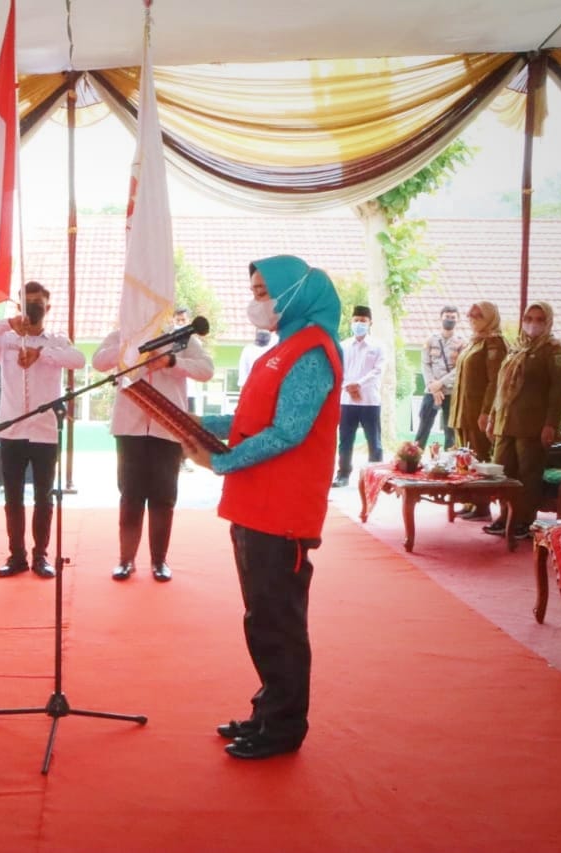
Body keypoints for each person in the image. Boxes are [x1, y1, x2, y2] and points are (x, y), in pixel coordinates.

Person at [179, 255, 343, 761]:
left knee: (279, 622)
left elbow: (290, 432)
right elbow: (255, 415)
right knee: (261, 618)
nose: (257, 302)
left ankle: (284, 727)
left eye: (262, 292)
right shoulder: (283, 347)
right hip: (255, 504)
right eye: (253, 291)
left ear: (295, 293)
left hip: (283, 509)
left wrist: (223, 460)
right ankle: (267, 711)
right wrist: (203, 428)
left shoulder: (312, 351)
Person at [92, 308, 214, 582]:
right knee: (130, 495)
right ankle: (126, 560)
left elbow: (207, 369)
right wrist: (130, 347)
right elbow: (99, 361)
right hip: (129, 426)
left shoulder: (182, 338)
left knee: (164, 497)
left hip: (167, 428)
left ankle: (159, 561)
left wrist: (172, 362)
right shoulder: (122, 336)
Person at [0, 282, 86, 579]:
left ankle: (41, 555)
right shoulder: (6, 341)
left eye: (39, 302)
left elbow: (79, 360)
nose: (34, 306)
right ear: (20, 306)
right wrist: (7, 324)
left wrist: (42, 353)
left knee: (44, 496)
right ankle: (17, 556)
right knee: (12, 497)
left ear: (48, 308)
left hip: (44, 431)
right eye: (28, 301)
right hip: (11, 429)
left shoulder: (57, 341)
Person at [484, 302, 561, 540]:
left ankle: (522, 521)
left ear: (548, 322)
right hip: (506, 422)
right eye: (529, 318)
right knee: (502, 471)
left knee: (527, 475)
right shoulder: (516, 349)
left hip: (533, 426)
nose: (533, 323)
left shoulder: (553, 351)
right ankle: (504, 517)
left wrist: (551, 423)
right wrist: (492, 417)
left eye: (539, 319)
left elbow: (558, 392)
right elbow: (501, 388)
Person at [448, 301, 508, 520]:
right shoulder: (474, 342)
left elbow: (495, 382)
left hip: (478, 413)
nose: (472, 319)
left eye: (478, 316)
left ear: (490, 318)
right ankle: (470, 501)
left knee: (479, 457)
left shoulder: (494, 343)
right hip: (463, 411)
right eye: (470, 315)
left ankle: (482, 505)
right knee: (464, 457)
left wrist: (486, 412)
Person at [332, 305, 385, 487]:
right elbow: (338, 371)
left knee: (374, 442)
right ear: (351, 322)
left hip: (370, 401)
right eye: (356, 320)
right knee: (345, 440)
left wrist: (358, 385)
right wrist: (349, 387)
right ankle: (343, 475)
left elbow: (378, 371)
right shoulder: (343, 346)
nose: (359, 324)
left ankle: (377, 478)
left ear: (370, 323)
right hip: (347, 401)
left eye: (363, 321)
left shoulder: (378, 346)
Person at [414, 305, 465, 450]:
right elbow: (425, 364)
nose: (449, 320)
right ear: (440, 318)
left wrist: (440, 384)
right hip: (431, 391)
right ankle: (414, 457)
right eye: (447, 317)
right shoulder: (431, 340)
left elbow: (460, 369)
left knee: (450, 430)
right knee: (424, 425)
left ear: (458, 320)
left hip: (450, 392)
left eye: (452, 318)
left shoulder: (462, 343)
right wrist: (433, 386)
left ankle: (449, 462)